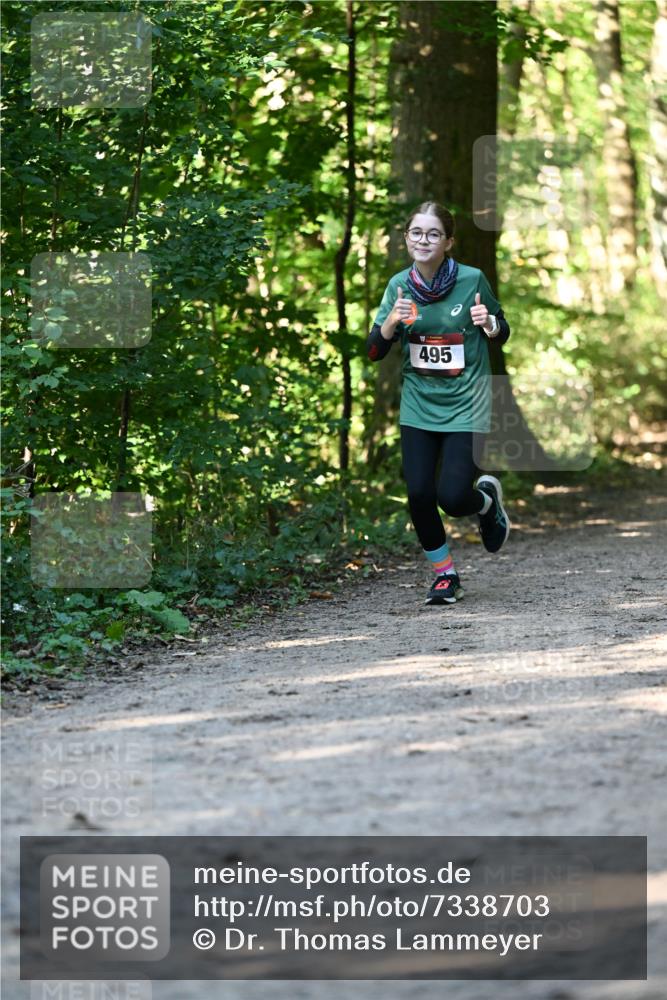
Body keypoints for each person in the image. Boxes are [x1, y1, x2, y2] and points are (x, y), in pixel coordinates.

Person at [366, 200, 511, 606]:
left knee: (451, 495)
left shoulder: (472, 279)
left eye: (433, 234)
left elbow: (502, 331)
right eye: (416, 233)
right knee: (418, 494)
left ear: (447, 241)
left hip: (467, 402)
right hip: (419, 406)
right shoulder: (398, 286)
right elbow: (375, 352)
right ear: (406, 238)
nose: (423, 240)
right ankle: (445, 575)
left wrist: (490, 324)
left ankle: (485, 503)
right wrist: (392, 322)